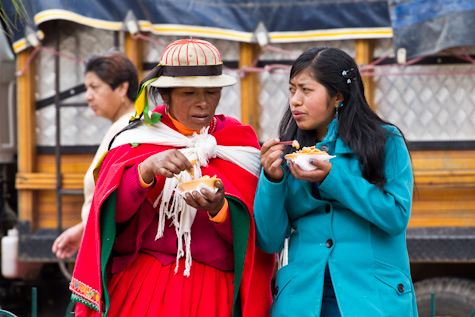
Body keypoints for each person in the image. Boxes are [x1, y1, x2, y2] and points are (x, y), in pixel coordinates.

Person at [70, 39, 275, 316]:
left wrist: (220, 210)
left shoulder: (239, 144)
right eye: (189, 92)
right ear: (165, 95)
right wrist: (144, 171)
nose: (203, 103)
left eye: (212, 92)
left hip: (215, 291)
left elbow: (257, 232)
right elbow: (108, 218)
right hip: (143, 287)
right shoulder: (136, 140)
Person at [253, 47, 418, 316]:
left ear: (338, 97)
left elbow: (395, 216)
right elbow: (269, 241)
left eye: (306, 90)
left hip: (372, 300)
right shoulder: (286, 153)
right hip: (303, 300)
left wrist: (333, 176)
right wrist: (271, 180)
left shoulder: (385, 142)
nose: (295, 100)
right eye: (292, 90)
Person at [51, 51, 138, 259]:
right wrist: (84, 228)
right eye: (87, 88)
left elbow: (120, 197)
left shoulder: (128, 129)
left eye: (95, 87)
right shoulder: (124, 126)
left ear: (122, 88)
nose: (88, 95)